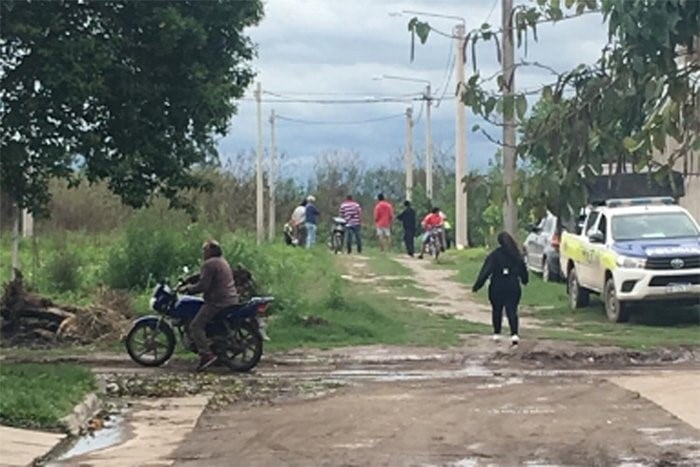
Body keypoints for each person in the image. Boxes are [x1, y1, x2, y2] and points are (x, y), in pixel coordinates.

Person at [181, 240, 239, 371]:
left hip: (217, 301)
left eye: (205, 250)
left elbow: (203, 285)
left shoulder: (209, 264)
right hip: (230, 299)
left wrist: (188, 289)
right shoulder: (221, 261)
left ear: (211, 251)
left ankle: (207, 354)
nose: (203, 253)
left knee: (195, 326)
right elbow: (204, 277)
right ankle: (215, 350)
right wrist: (191, 279)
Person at [472, 231, 529, 345]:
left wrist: (478, 285)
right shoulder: (516, 255)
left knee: (497, 310)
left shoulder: (495, 255)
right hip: (513, 286)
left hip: (497, 286)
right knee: (512, 310)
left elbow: (486, 271)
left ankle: (497, 333)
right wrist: (524, 280)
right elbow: (523, 271)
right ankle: (514, 334)